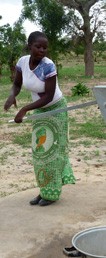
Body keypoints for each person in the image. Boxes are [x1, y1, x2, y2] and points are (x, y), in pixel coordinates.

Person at [4, 31, 75, 206]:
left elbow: (49, 96)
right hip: (40, 112)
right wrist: (13, 95)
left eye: (45, 47)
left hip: (56, 109)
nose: (42, 50)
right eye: (38, 47)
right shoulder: (22, 62)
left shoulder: (48, 65)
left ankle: (52, 193)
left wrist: (24, 109)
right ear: (30, 47)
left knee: (53, 153)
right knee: (40, 152)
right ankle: (44, 190)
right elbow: (17, 84)